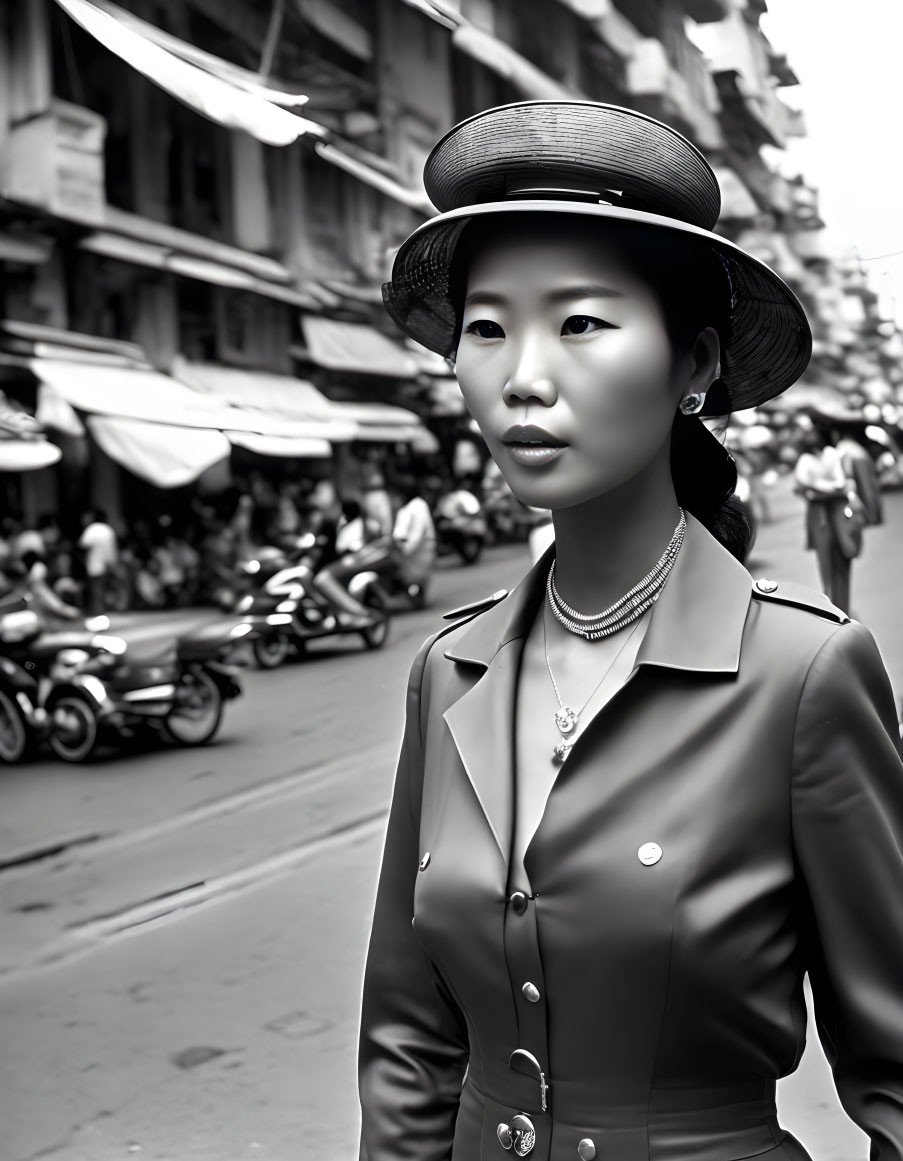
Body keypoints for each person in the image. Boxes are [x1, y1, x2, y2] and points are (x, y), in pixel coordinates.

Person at [358, 102, 903, 1161]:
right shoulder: (449, 671)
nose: (522, 374)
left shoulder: (803, 674)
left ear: (692, 364)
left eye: (580, 323)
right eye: (486, 327)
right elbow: (410, 1037)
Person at [793, 427, 865, 612]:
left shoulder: (828, 456)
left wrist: (816, 491)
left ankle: (837, 606)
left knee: (833, 561)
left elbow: (803, 487)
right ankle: (838, 606)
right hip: (827, 514)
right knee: (834, 561)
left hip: (826, 514)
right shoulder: (816, 458)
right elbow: (803, 487)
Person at [77, 509, 119, 617]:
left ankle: (98, 613)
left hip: (95, 564)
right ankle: (103, 612)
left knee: (96, 591)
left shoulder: (92, 529)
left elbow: (82, 544)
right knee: (103, 590)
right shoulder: (108, 529)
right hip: (107, 563)